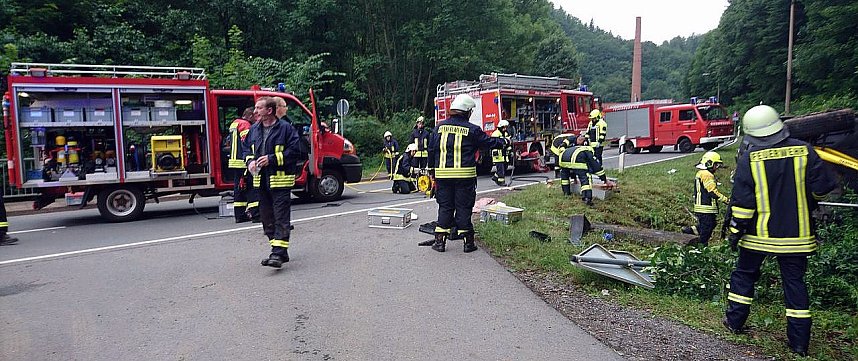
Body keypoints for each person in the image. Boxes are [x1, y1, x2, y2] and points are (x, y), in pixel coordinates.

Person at [723, 105, 837, 357]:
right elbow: (822, 188)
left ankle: (734, 322)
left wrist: (734, 231)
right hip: (797, 236)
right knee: (794, 284)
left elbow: (742, 204)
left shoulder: (749, 159)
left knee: (744, 277)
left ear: (751, 134)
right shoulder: (804, 151)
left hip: (757, 236)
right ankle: (798, 343)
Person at [427, 94, 508, 253]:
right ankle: (468, 243)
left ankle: (439, 242)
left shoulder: (438, 129)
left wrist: (432, 172)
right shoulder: (472, 130)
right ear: (466, 112)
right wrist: (505, 142)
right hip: (465, 177)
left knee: (445, 207)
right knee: (463, 207)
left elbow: (431, 151)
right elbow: (489, 142)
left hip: (442, 177)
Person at [245, 97, 301, 268]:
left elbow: (295, 151)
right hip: (260, 181)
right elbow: (246, 150)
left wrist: (272, 159)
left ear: (269, 111)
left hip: (280, 181)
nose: (255, 111)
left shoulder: (286, 129)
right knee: (266, 218)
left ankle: (277, 253)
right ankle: (279, 251)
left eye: (259, 108)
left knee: (281, 217)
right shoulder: (254, 130)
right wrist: (250, 162)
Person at [681, 151, 728, 246]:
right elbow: (712, 191)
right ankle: (701, 247)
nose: (717, 167)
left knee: (710, 224)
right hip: (706, 208)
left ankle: (689, 231)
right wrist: (726, 200)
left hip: (701, 207)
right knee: (707, 230)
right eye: (716, 165)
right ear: (709, 163)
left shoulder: (701, 173)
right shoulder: (707, 175)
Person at [558, 134, 614, 206]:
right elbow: (597, 167)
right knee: (586, 178)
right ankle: (587, 199)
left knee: (565, 179)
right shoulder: (588, 150)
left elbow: (572, 168)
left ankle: (566, 193)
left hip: (563, 159)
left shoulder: (574, 148)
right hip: (575, 160)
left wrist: (574, 178)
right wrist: (605, 180)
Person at [225, 108, 259, 223]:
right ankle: (256, 214)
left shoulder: (235, 123)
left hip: (234, 161)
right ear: (249, 116)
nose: (255, 120)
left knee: (239, 189)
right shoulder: (245, 125)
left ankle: (239, 215)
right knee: (251, 187)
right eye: (254, 117)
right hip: (243, 161)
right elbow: (247, 143)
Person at [491, 119, 513, 186]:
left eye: (506, 127)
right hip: (498, 154)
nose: (505, 129)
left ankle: (495, 177)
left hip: (504, 154)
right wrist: (504, 141)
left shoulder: (506, 134)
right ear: (500, 127)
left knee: (505, 167)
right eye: (504, 127)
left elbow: (508, 143)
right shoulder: (495, 134)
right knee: (501, 169)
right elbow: (496, 143)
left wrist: (510, 150)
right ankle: (501, 182)